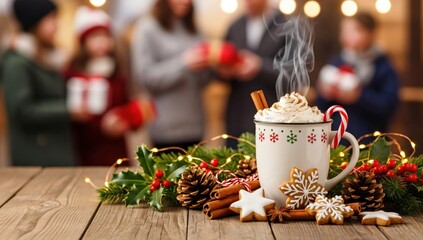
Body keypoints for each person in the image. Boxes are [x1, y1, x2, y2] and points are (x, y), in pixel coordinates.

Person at [65, 7, 156, 166]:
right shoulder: (72, 72)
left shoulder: (116, 72)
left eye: (105, 37)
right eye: (94, 37)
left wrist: (123, 119)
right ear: (83, 42)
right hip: (84, 148)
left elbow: (131, 105)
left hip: (115, 149)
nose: (101, 43)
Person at [0, 0, 75, 166]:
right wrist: (68, 109)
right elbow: (22, 110)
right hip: (37, 158)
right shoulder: (17, 62)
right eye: (50, 19)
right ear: (34, 23)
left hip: (55, 152)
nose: (56, 25)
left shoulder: (47, 59)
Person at [132, 0, 210, 149]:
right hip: (165, 127)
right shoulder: (147, 28)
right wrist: (183, 63)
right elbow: (145, 78)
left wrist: (215, 67)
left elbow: (202, 81)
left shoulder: (195, 30)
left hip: (195, 125)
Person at [316, 12, 399, 138]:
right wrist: (325, 93)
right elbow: (321, 106)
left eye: (355, 30)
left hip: (371, 141)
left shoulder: (382, 66)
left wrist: (359, 96)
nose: (346, 35)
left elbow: (388, 106)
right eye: (344, 30)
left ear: (370, 33)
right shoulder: (337, 62)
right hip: (338, 140)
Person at [219, 0, 286, 147]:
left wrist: (260, 66)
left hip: (272, 117)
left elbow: (296, 72)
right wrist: (225, 71)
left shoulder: (285, 26)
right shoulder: (235, 26)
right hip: (237, 116)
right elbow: (221, 66)